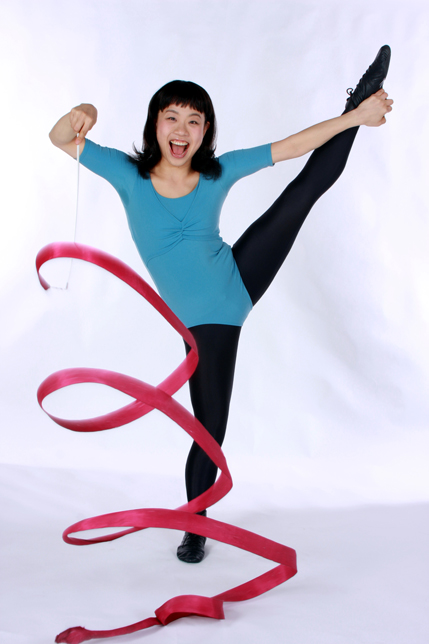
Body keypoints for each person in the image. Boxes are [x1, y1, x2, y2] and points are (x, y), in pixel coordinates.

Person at [49, 46, 393, 564]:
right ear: (155, 125)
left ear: (205, 131)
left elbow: (293, 146)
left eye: (194, 120)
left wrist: (357, 118)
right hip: (206, 321)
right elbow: (60, 137)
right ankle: (196, 527)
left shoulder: (218, 171)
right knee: (210, 430)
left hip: (238, 277)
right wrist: (87, 112)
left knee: (303, 192)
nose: (181, 129)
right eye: (172, 118)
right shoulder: (127, 175)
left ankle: (359, 102)